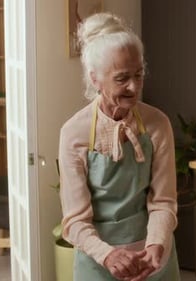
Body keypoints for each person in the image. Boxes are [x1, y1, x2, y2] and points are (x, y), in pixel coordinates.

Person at [58, 13, 180, 281]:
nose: (134, 86)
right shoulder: (74, 133)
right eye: (122, 78)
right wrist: (108, 255)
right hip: (97, 260)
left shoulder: (157, 124)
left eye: (139, 74)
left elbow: (163, 201)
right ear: (95, 79)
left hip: (153, 255)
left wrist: (156, 244)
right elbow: (75, 220)